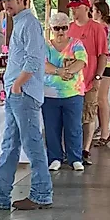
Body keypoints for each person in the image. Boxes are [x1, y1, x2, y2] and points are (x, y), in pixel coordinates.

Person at [0, 0, 52, 211]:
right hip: (17, 92)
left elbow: (35, 60)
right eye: (4, 1)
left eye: (10, 0)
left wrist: (17, 84)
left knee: (31, 143)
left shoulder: (29, 24)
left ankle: (42, 193)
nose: (6, 5)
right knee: (10, 144)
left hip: (23, 93)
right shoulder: (20, 23)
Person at [42, 11, 87, 172]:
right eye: (57, 28)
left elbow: (81, 61)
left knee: (73, 127)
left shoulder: (76, 43)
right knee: (51, 128)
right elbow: (43, 64)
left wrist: (68, 71)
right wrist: (60, 72)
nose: (61, 32)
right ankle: (55, 157)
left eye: (64, 28)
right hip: (49, 93)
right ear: (51, 29)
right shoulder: (45, 45)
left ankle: (75, 157)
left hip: (73, 93)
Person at [67, 0, 108, 165]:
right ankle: (71, 149)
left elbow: (102, 55)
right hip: (71, 81)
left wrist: (98, 76)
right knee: (71, 116)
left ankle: (85, 149)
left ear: (86, 8)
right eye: (72, 8)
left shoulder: (96, 29)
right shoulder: (68, 28)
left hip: (90, 78)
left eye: (77, 7)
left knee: (88, 114)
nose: (74, 11)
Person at [92, 1, 110, 146]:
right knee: (100, 99)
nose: (91, 13)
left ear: (99, 12)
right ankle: (102, 130)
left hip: (105, 65)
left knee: (101, 99)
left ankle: (105, 132)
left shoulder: (101, 27)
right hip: (106, 64)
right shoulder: (104, 26)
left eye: (93, 10)